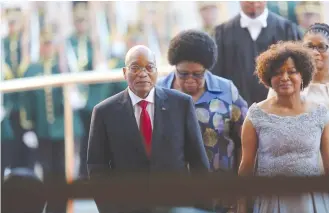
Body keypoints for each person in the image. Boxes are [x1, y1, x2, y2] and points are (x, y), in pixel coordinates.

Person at [87, 45, 210, 213]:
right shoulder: (104, 112)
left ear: (156, 72)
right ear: (124, 72)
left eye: (149, 67)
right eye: (135, 68)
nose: (142, 74)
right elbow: (97, 169)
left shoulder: (181, 104)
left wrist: (202, 207)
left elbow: (198, 162)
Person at [158, 30, 248, 212]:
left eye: (198, 74)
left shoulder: (226, 91)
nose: (190, 80)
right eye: (183, 74)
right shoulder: (159, 93)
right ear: (174, 67)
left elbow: (245, 141)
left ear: (207, 69)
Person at [238, 41, 329, 213]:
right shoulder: (256, 115)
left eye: (292, 71)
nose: (285, 78)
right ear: (268, 78)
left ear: (303, 75)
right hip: (271, 201)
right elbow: (246, 167)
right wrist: (242, 206)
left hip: (312, 202)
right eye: (278, 73)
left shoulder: (321, 113)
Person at [20, 27, 84, 213]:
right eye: (45, 44)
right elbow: (27, 101)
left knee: (64, 172)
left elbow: (75, 97)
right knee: (47, 173)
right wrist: (28, 127)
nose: (48, 48)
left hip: (64, 130)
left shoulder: (62, 67)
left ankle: (63, 208)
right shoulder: (32, 69)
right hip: (43, 130)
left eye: (51, 44)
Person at [212, 1, 302, 105]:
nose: (253, 1)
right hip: (236, 111)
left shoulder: (287, 29)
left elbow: (299, 74)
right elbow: (216, 76)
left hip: (281, 108)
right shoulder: (223, 33)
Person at [267, 23, 329, 105]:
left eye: (321, 47)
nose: (314, 52)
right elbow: (269, 112)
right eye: (309, 46)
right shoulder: (285, 80)